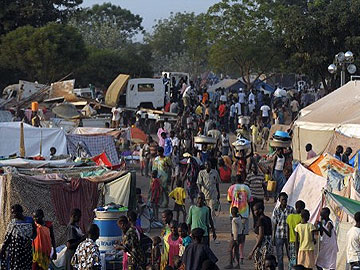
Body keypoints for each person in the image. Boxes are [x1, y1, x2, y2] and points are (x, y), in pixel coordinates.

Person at [0, 204, 35, 270]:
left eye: (14, 213)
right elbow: (8, 238)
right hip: (15, 251)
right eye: (12, 213)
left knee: (27, 267)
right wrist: (3, 249)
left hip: (26, 250)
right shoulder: (12, 223)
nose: (13, 215)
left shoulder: (30, 220)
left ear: (20, 211)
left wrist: (31, 239)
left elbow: (35, 232)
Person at [227, 174, 252, 261]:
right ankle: (241, 253)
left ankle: (234, 252)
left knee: (234, 234)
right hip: (244, 214)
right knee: (242, 234)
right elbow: (249, 199)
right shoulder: (247, 188)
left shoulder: (231, 188)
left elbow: (229, 200)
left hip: (233, 214)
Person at [272, 192, 295, 270]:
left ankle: (290, 268)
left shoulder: (291, 209)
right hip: (279, 235)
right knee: (280, 255)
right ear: (279, 200)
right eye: (282, 200)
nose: (284, 201)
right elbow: (275, 224)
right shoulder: (276, 210)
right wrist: (273, 237)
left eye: (285, 200)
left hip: (289, 236)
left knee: (290, 255)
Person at [248, 202, 273, 270]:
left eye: (255, 210)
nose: (254, 212)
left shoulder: (260, 221)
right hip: (269, 246)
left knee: (261, 265)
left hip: (263, 247)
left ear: (260, 210)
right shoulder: (268, 219)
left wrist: (252, 251)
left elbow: (261, 236)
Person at [197, 161, 221, 225]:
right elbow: (199, 183)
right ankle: (205, 224)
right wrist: (200, 192)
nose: (207, 166)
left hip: (213, 195)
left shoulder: (215, 172)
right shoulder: (201, 173)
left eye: (208, 165)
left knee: (212, 211)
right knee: (204, 210)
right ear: (205, 166)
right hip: (204, 195)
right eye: (206, 165)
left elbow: (217, 183)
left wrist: (218, 193)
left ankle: (212, 225)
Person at [245, 161, 268, 229]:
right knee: (254, 213)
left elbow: (264, 185)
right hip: (252, 197)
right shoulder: (249, 176)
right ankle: (256, 226)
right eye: (253, 168)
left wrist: (266, 194)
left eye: (255, 167)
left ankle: (260, 225)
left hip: (260, 196)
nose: (254, 169)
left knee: (261, 212)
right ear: (251, 169)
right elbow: (246, 186)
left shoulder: (261, 175)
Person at [286, 200, 306, 270]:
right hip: (300, 241)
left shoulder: (289, 217)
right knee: (298, 258)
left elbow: (288, 230)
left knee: (292, 258)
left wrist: (288, 241)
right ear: (302, 208)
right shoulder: (302, 218)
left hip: (291, 240)